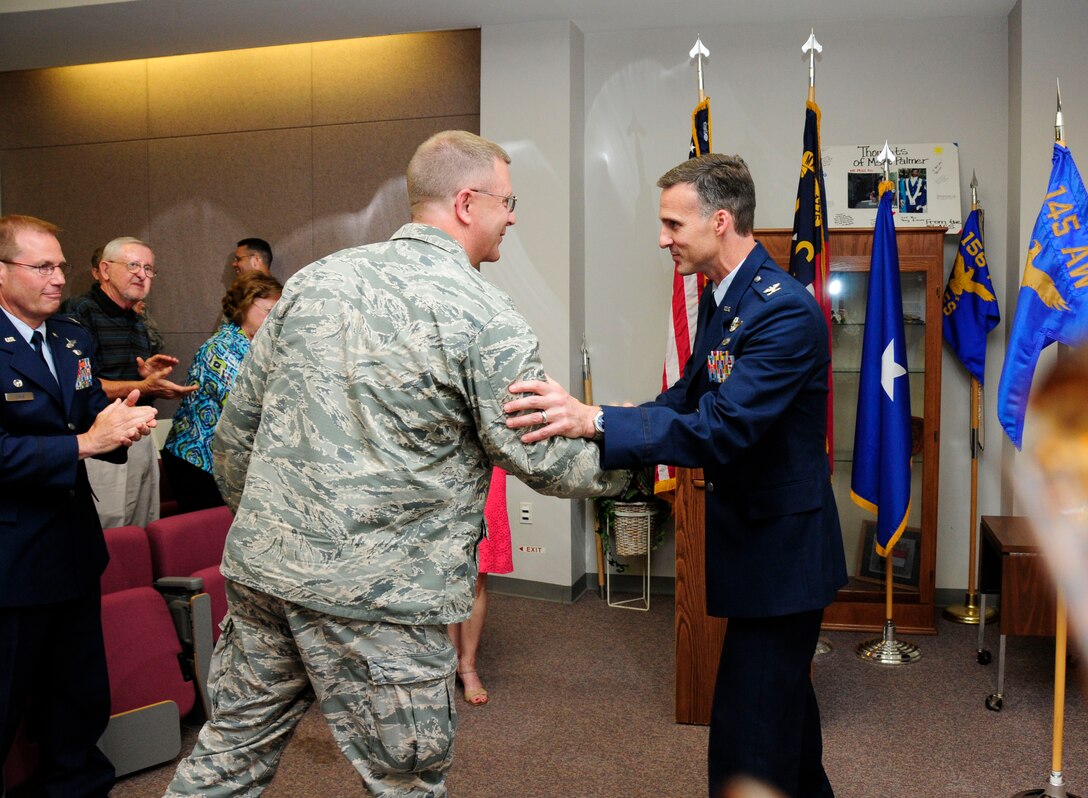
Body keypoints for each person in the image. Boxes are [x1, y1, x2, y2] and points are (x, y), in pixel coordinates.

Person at [163, 129, 628, 798]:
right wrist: (643, 455)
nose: (515, 216)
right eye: (509, 201)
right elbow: (547, 457)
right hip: (382, 602)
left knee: (226, 759)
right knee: (404, 782)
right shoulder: (482, 313)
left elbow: (234, 435)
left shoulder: (313, 283)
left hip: (265, 573)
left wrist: (279, 530)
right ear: (468, 203)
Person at [504, 153, 847, 798]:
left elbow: (722, 428)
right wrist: (595, 419)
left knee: (746, 749)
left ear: (720, 220)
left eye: (672, 224)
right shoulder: (727, 301)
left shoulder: (784, 311)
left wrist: (594, 420)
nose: (662, 239)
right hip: (756, 554)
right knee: (786, 736)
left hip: (781, 563)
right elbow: (685, 400)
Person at [0, 214, 157, 797]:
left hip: (70, 546)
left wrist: (121, 426)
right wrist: (85, 442)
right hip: (11, 558)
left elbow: (90, 412)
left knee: (78, 696)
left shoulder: (71, 339)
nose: (58, 277)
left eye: (61, 265)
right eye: (41, 266)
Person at [67, 236, 196, 528]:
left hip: (140, 433)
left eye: (149, 268)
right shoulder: (78, 314)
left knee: (144, 524)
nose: (142, 274)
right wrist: (143, 387)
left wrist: (143, 375)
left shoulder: (136, 318)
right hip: (100, 435)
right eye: (133, 265)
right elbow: (80, 385)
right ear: (104, 269)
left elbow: (118, 375)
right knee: (110, 528)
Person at [161, 272, 283, 513]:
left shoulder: (256, 346)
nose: (276, 321)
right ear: (246, 305)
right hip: (197, 458)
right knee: (208, 535)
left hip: (223, 459)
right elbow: (245, 406)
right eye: (270, 311)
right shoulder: (222, 348)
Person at [447, 466, 513, 706]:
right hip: (440, 463)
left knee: (477, 575)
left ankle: (467, 666)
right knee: (445, 572)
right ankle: (449, 658)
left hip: (486, 470)